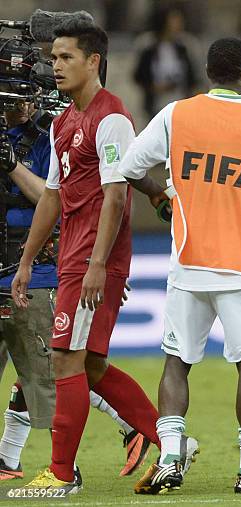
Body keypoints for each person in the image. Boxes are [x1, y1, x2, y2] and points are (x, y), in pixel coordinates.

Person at [119, 37, 241, 495]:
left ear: (206, 72)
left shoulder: (177, 114)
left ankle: (168, 458)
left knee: (177, 364)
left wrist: (161, 193)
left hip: (189, 262)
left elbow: (129, 166)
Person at [11, 19, 162, 494]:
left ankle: (60, 474)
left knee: (65, 362)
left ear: (93, 61)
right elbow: (53, 197)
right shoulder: (63, 121)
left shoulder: (111, 117)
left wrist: (98, 264)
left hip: (93, 260)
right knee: (90, 366)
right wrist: (27, 260)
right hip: (74, 257)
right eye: (53, 58)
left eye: (66, 57)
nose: (55, 66)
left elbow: (116, 196)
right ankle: (174, 442)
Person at [0, 102, 150, 481]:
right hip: (43, 267)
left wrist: (100, 264)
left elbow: (64, 198)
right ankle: (10, 460)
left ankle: (65, 468)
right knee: (51, 370)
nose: (13, 106)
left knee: (54, 370)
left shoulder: (59, 130)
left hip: (50, 272)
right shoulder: (64, 125)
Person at [133, 6, 198, 120]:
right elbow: (139, 76)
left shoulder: (184, 47)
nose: (179, 23)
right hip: (155, 105)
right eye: (174, 19)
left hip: (180, 103)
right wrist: (155, 87)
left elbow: (192, 77)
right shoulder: (148, 47)